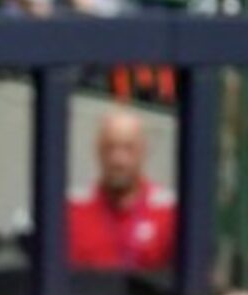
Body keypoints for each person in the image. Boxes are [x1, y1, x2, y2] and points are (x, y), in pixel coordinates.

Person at [67, 108, 176, 277]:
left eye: (128, 148)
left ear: (143, 151)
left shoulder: (171, 211)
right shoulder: (70, 209)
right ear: (98, 151)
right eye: (110, 148)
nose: (118, 160)